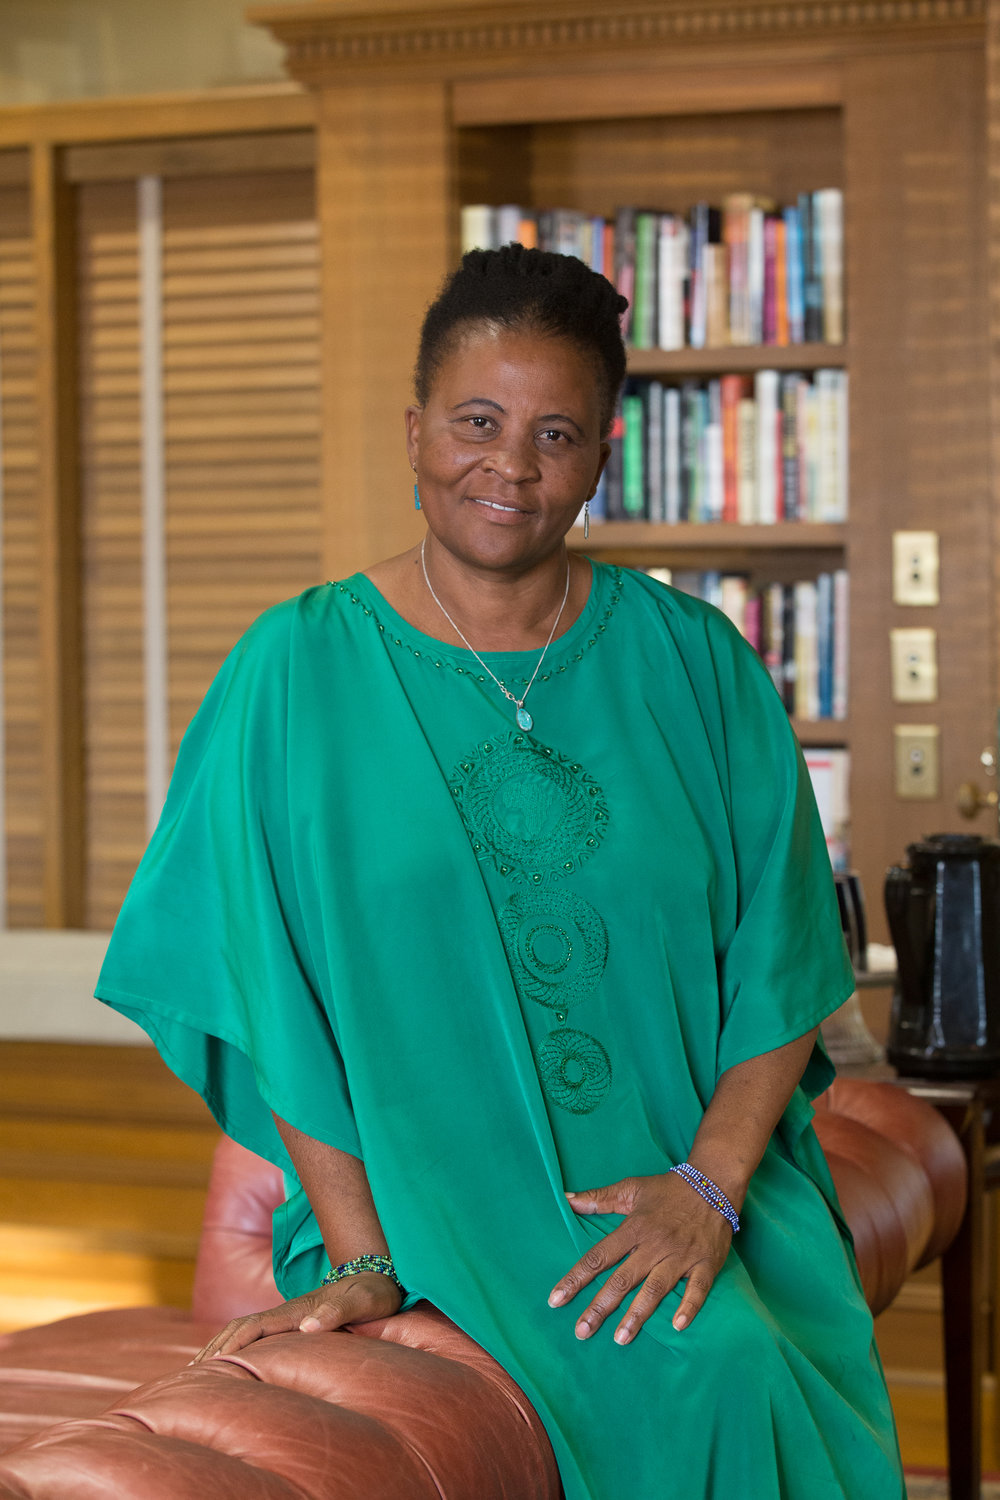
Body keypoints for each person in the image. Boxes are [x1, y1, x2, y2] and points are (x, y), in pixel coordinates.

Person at [96, 244, 904, 1499]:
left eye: (556, 433)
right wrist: (360, 1258)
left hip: (680, 1175)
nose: (510, 467)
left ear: (601, 456)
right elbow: (272, 1001)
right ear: (415, 429)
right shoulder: (291, 673)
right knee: (691, 1374)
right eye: (476, 421)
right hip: (426, 1199)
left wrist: (710, 1188)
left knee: (734, 1362)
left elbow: (782, 954)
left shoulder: (699, 664)